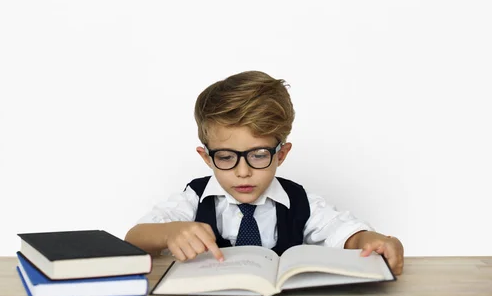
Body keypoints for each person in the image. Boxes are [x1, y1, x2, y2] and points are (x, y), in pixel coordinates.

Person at [124, 71, 404, 275]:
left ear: (281, 154)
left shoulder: (300, 201)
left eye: (258, 155)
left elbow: (343, 232)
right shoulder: (193, 199)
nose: (243, 172)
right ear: (206, 157)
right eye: (225, 157)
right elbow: (134, 238)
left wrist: (371, 241)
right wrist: (170, 233)